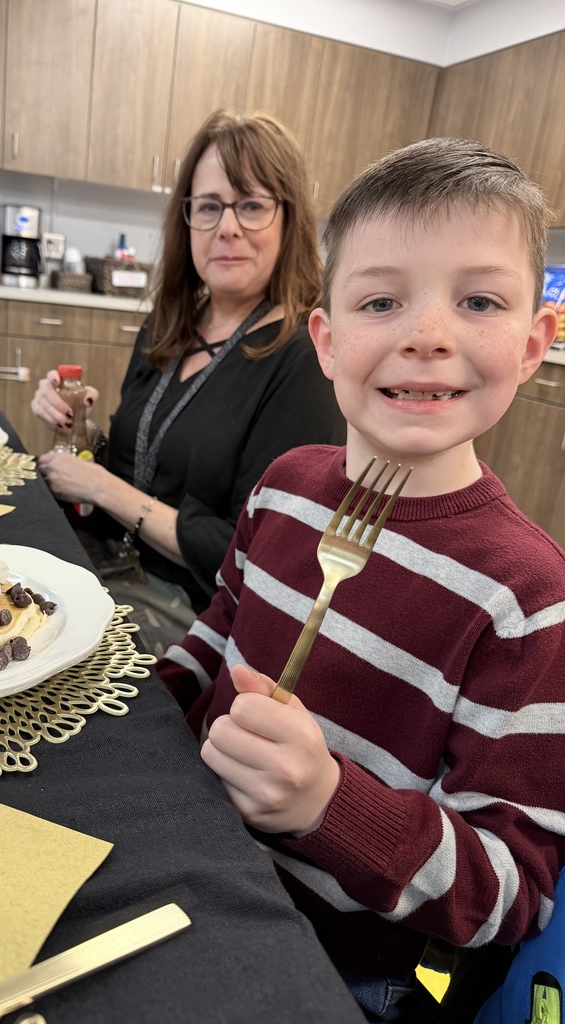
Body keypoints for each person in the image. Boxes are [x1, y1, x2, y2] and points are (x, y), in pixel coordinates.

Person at [157, 136, 565, 1021]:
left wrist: (327, 802)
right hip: (198, 861)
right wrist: (144, 711)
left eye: (479, 300)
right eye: (382, 300)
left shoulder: (528, 599)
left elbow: (509, 892)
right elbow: (216, 633)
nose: (427, 336)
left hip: (348, 967)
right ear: (329, 340)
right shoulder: (284, 486)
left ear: (535, 342)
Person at [31, 109, 344, 657]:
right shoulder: (168, 327)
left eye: (252, 205)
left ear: (289, 219)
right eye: (209, 206)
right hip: (104, 561)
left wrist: (101, 488)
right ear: (188, 220)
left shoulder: (303, 358)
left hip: (194, 612)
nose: (227, 227)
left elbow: (251, 555)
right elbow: (142, 467)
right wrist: (80, 430)